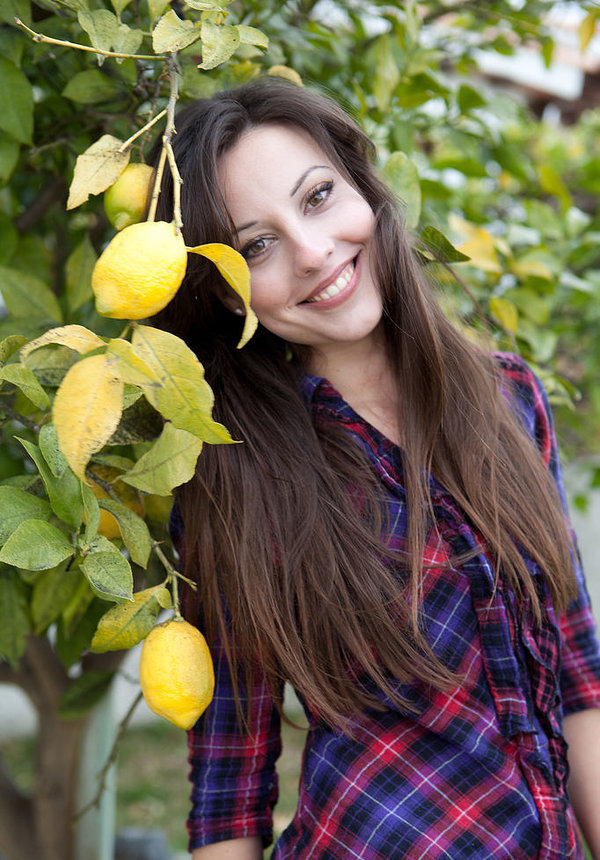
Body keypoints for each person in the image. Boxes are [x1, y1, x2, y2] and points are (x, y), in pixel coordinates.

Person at [152, 78, 600, 859]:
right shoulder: (236, 480)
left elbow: (578, 673)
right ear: (226, 295)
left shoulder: (510, 398)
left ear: (362, 185)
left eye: (318, 197)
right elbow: (229, 780)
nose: (312, 252)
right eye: (257, 246)